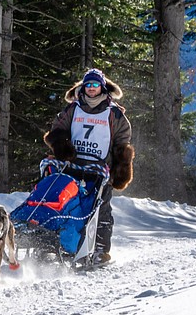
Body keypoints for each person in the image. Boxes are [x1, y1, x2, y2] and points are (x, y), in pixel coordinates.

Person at [42, 68, 135, 263]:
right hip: (72, 165)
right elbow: (58, 129)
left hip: (101, 169)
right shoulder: (73, 109)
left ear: (102, 87)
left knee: (101, 208)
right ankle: (56, 242)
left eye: (95, 85)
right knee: (65, 202)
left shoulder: (114, 114)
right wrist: (62, 148)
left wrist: (119, 168)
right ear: (83, 87)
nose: (91, 89)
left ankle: (101, 249)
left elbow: (122, 140)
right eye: (88, 85)